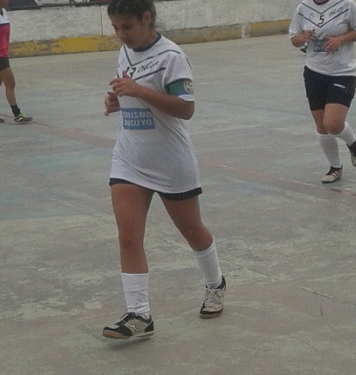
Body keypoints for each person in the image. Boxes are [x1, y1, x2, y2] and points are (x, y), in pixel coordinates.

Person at [100, 0, 225, 340]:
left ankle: (215, 283)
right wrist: (118, 101)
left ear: (146, 18)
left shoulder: (172, 57)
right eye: (115, 28)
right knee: (128, 237)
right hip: (129, 158)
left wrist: (139, 91)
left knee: (192, 230)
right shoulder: (125, 54)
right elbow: (130, 95)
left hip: (170, 161)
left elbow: (186, 108)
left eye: (127, 27)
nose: (121, 35)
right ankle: (138, 314)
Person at [289, 0, 356, 183]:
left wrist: (340, 39)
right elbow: (294, 39)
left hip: (342, 72)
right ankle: (335, 167)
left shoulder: (346, 5)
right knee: (321, 124)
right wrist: (302, 37)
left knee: (333, 123)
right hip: (313, 72)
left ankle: (352, 141)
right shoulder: (302, 8)